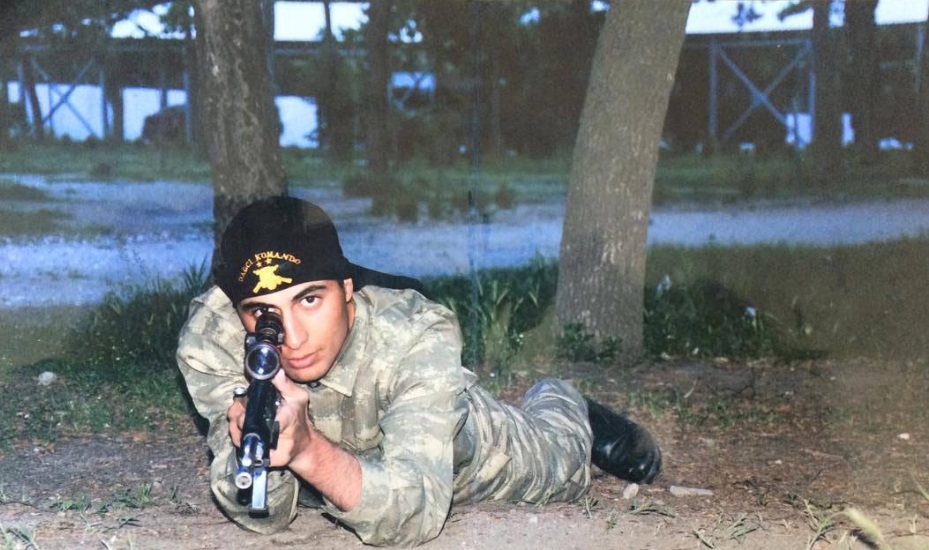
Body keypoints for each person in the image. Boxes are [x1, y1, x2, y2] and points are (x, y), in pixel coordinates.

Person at [177, 196, 661, 547]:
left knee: (560, 468)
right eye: (263, 313)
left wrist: (308, 452)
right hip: (351, 465)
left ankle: (565, 402)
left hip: (463, 452)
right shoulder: (212, 341)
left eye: (309, 300)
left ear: (346, 287)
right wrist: (261, 450)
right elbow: (262, 514)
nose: (294, 338)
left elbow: (419, 514)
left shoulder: (413, 333)